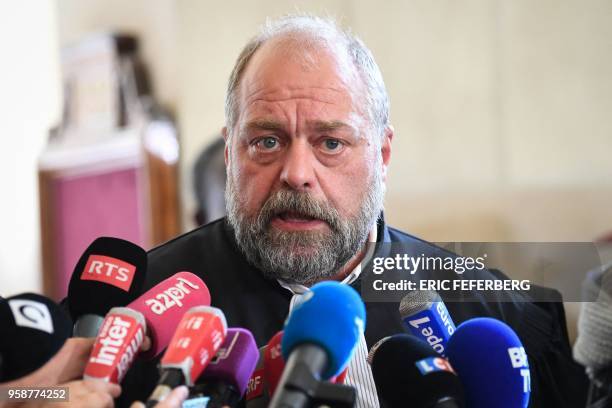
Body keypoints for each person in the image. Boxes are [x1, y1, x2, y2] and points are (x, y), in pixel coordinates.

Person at [119, 14, 588, 407]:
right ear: (229, 154)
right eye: (266, 141)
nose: (297, 173)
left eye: (331, 143)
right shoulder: (131, 316)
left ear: (382, 157)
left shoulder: (499, 318)